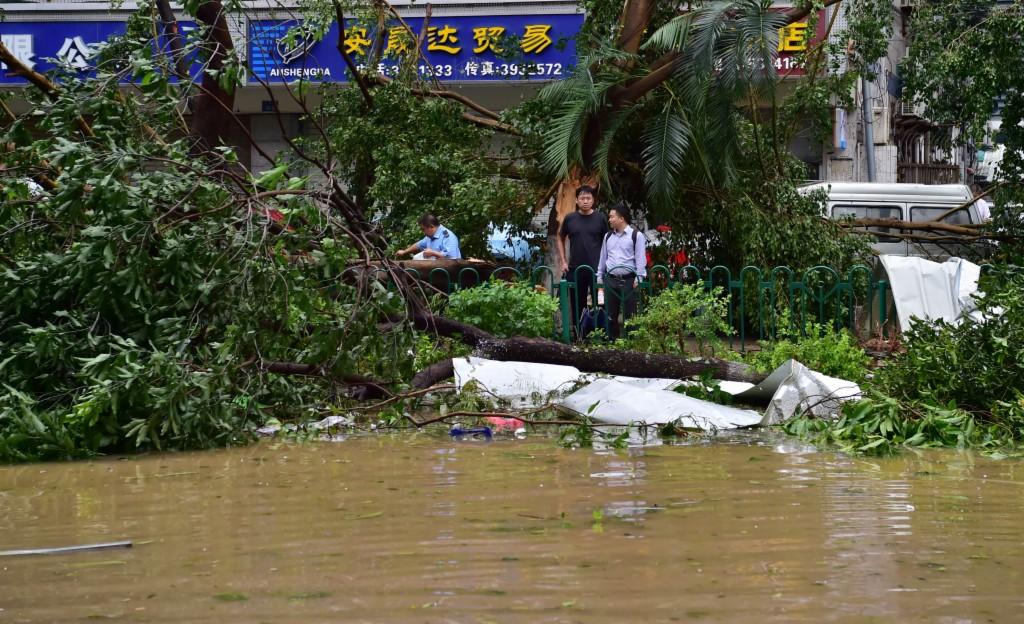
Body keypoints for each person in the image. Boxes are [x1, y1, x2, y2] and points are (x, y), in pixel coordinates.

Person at [557, 186, 608, 335]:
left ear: (593, 200)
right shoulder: (570, 218)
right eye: (582, 198)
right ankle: (580, 335)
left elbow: (608, 241)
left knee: (600, 302)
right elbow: (560, 238)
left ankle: (600, 335)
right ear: (576, 200)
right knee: (577, 303)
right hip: (575, 269)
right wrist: (563, 261)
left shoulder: (600, 218)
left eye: (588, 198)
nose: (585, 201)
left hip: (597, 270)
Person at [597, 203, 646, 340]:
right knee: (610, 314)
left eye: (612, 217)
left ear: (621, 218)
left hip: (629, 280)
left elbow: (640, 258)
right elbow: (603, 257)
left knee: (630, 315)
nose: (609, 220)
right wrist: (599, 277)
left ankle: (630, 344)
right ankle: (612, 343)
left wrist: (639, 278)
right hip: (610, 279)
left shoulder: (636, 236)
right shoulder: (608, 236)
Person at [396, 214, 462, 260]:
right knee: (416, 258)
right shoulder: (430, 236)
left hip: (449, 272)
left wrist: (433, 253)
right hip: (434, 270)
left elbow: (452, 258)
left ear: (431, 227)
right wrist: (404, 252)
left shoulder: (448, 236)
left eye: (423, 229)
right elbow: (418, 245)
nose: (423, 232)